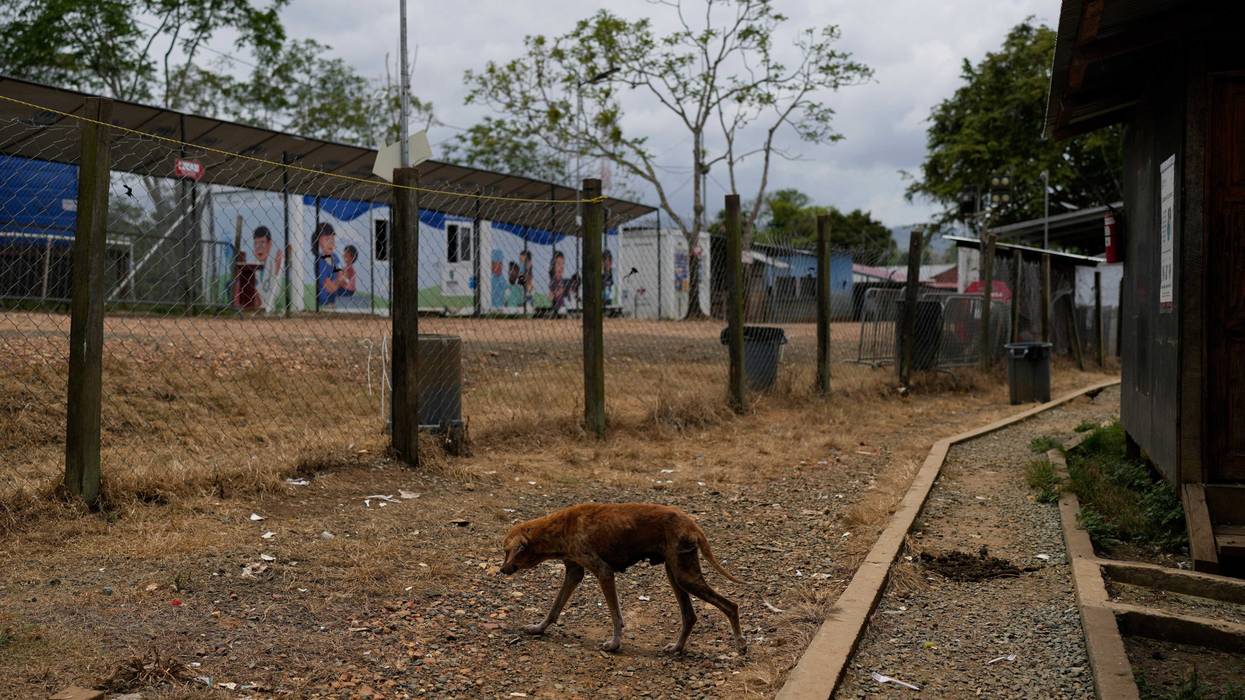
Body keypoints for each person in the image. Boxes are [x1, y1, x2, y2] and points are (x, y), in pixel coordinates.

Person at [312, 222, 345, 308]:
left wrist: (339, 280)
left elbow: (341, 275)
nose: (331, 243)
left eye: (333, 240)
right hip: (324, 301)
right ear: (318, 241)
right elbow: (330, 288)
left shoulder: (335, 257)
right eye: (327, 239)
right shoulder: (319, 261)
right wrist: (339, 281)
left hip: (335, 299)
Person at [252, 226, 283, 313]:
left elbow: (276, 293)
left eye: (262, 242)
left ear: (269, 244)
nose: (259, 247)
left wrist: (277, 270)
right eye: (256, 243)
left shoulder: (274, 264)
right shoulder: (250, 267)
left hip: (268, 309)